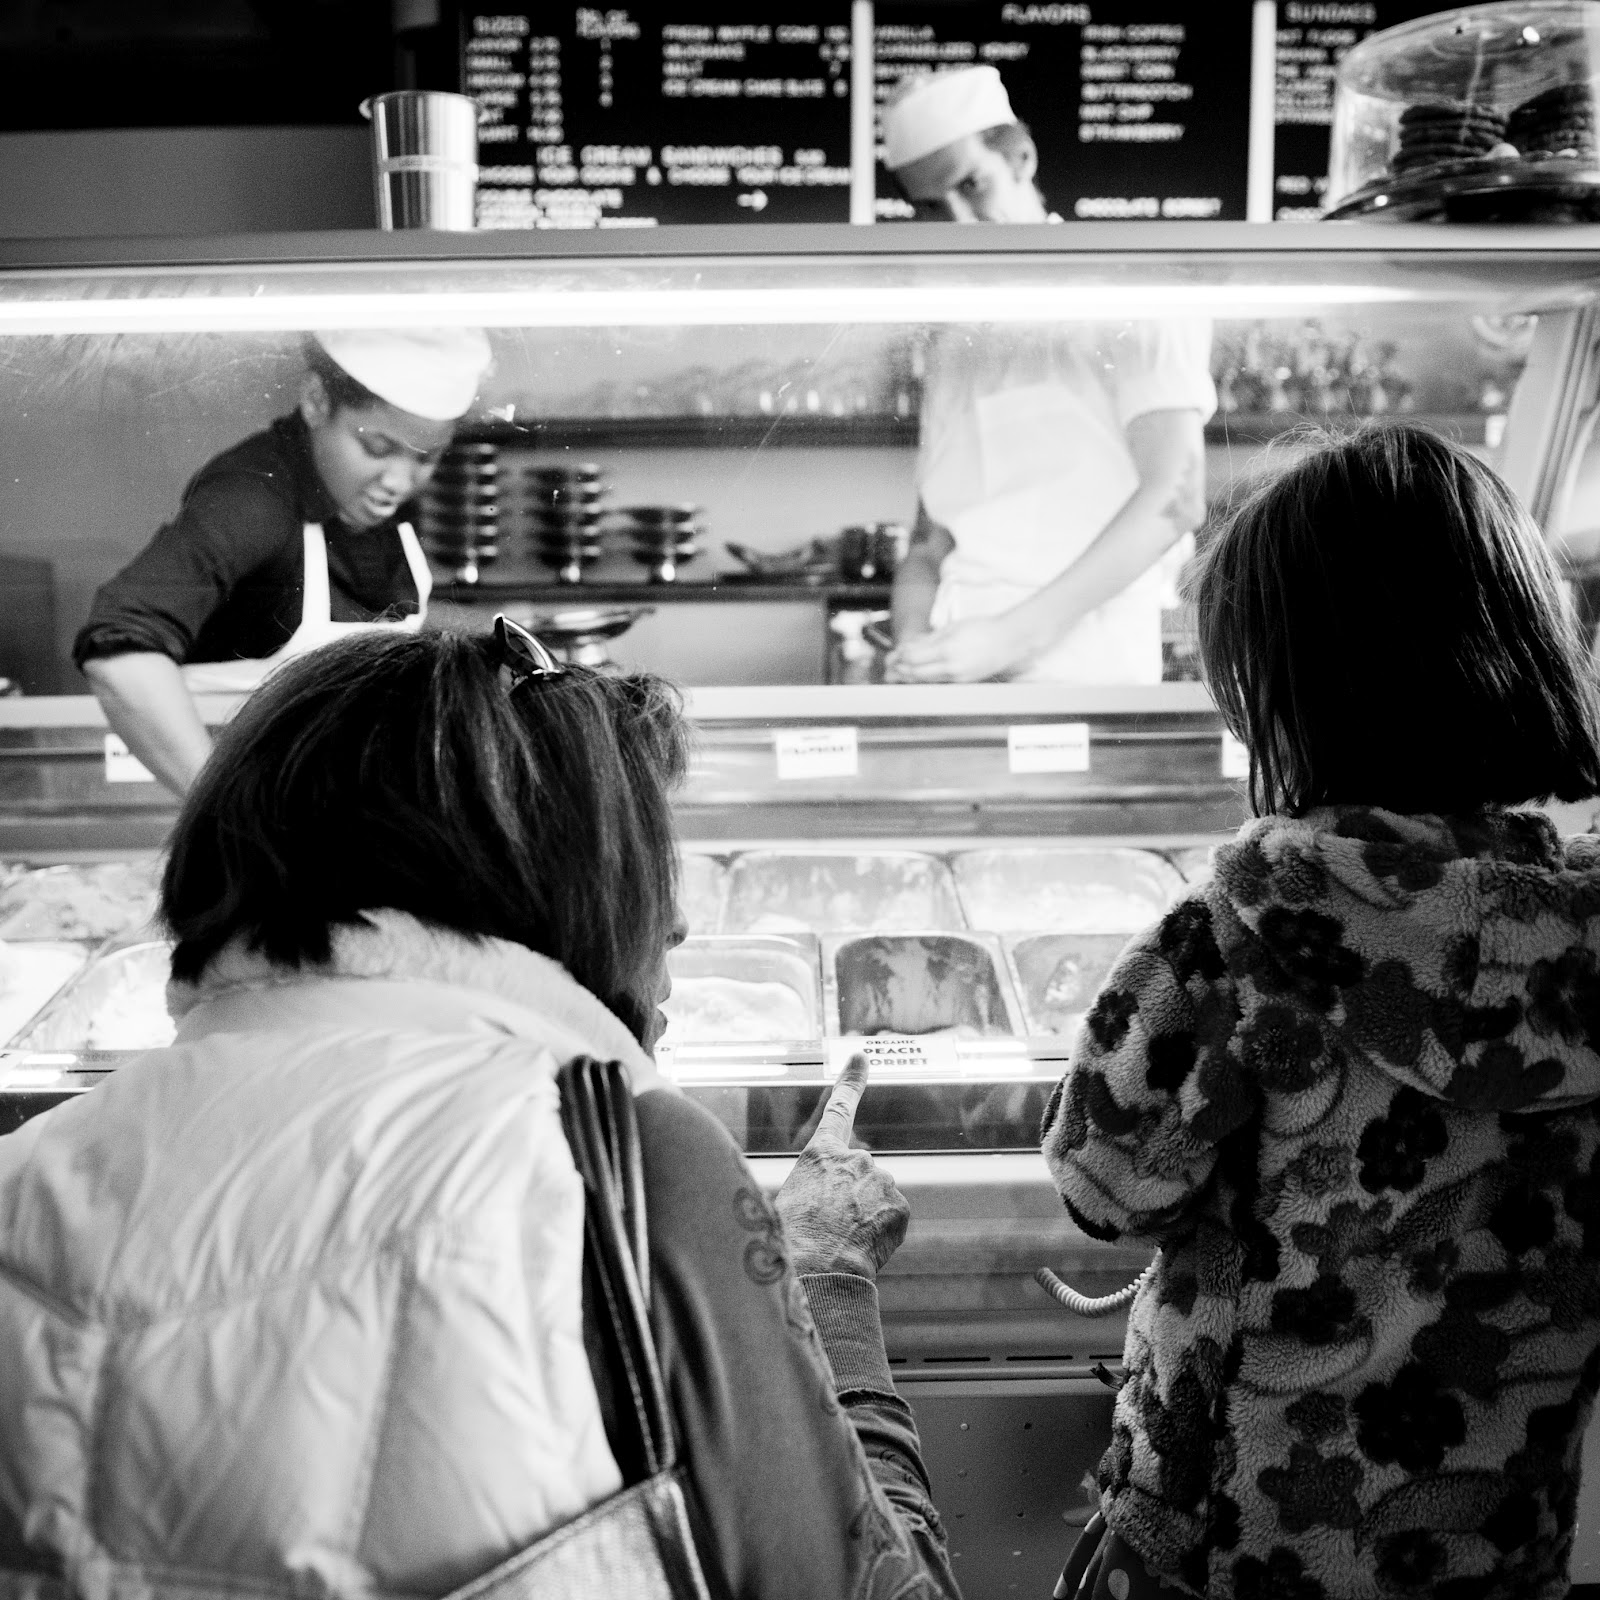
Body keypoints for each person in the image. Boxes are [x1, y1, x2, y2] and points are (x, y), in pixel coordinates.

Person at [0, 624, 959, 1600]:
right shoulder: (628, 1168)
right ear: (535, 882)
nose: (673, 919)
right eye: (631, 859)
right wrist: (826, 1279)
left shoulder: (21, 1178)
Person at [1042, 423, 1600, 1599]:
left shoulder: (1240, 931)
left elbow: (1104, 1179)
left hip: (1230, 1548)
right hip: (1494, 1546)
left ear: (1288, 698)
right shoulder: (1580, 933)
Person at [878, 65, 1215, 685]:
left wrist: (1006, 639)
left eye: (972, 186)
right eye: (930, 205)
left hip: (1089, 674)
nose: (957, 222)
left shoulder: (1134, 291)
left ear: (1022, 159)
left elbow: (1174, 499)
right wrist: (912, 645)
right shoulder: (953, 339)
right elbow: (930, 543)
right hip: (953, 673)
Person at [73, 327, 491, 795]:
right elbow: (122, 648)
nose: (400, 480)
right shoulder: (253, 495)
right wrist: (219, 810)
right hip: (219, 794)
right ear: (315, 401)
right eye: (376, 447)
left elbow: (378, 618)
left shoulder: (372, 499)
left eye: (425, 458)